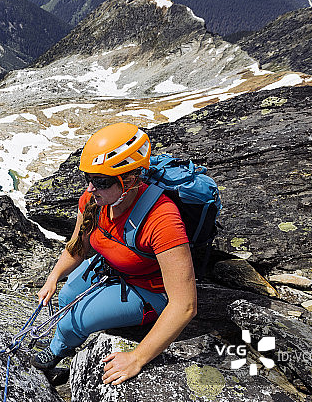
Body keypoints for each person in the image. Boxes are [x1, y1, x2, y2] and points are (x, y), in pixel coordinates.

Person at [32, 122, 197, 385]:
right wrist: (53, 278)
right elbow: (78, 247)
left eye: (101, 182)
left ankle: (55, 352)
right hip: (113, 268)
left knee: (74, 321)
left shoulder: (162, 219)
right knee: (65, 298)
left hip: (149, 290)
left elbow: (185, 305)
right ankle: (66, 346)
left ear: (130, 180)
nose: (89, 188)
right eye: (88, 179)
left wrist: (137, 357)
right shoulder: (94, 201)